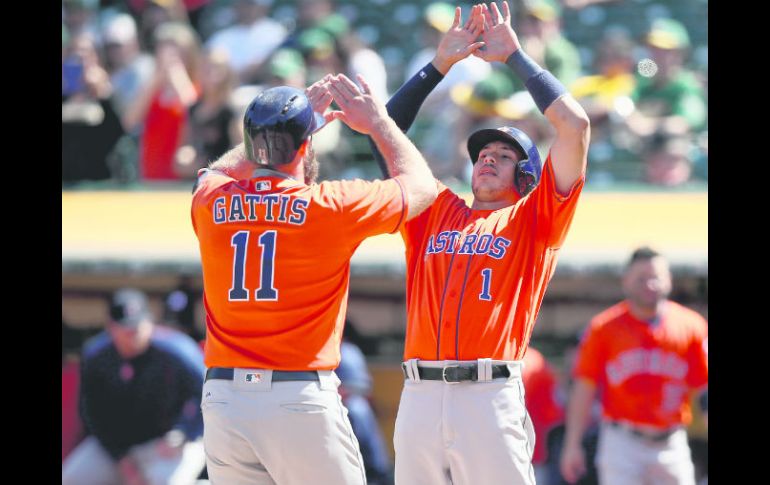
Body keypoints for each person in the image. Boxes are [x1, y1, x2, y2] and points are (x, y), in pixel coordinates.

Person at [368, 3, 590, 484]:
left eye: (504, 155)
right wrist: (438, 66)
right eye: (483, 153)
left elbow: (575, 127)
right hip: (420, 394)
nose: (487, 159)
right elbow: (383, 137)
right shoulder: (435, 209)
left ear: (527, 174)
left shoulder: (534, 219)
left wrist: (515, 57)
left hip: (487, 393)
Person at [190, 72, 437, 484]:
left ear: (252, 146)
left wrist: (267, 136)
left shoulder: (211, 200)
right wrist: (378, 122)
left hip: (224, 399)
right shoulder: (328, 205)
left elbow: (212, 172)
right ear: (308, 144)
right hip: (296, 396)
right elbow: (422, 188)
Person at [559, 247, 708, 485]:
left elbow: (704, 389)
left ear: (669, 279)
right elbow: (584, 387)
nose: (649, 285)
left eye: (655, 278)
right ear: (625, 281)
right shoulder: (603, 328)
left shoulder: (691, 326)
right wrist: (572, 444)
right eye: (641, 278)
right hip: (622, 441)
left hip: (671, 440)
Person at [62, 288, 207, 485]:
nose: (133, 334)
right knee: (72, 478)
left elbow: (209, 393)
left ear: (149, 322)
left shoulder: (177, 351)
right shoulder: (96, 355)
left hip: (169, 442)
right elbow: (91, 412)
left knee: (167, 482)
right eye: (126, 329)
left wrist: (185, 432)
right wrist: (119, 457)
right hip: (117, 447)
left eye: (138, 327)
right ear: (111, 327)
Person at [337, 330, 394, 485]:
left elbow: (365, 385)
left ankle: (379, 473)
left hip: (357, 403)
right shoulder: (329, 350)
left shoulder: (351, 350)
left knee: (361, 413)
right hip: (339, 407)